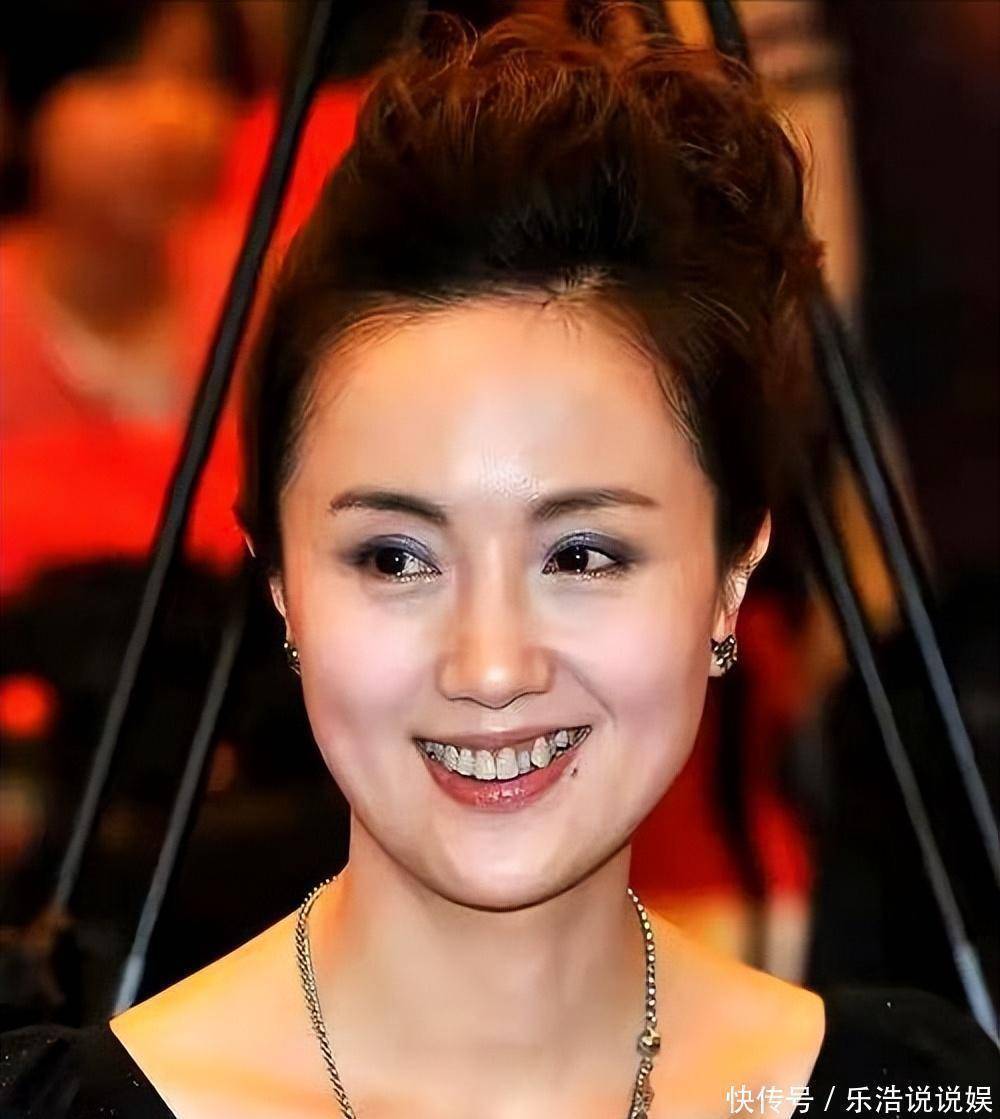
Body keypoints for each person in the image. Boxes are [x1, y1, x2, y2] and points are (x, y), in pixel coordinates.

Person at [1, 11, 997, 1118]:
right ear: (278, 582)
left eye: (580, 553)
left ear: (732, 572)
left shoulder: (906, 1093)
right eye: (395, 558)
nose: (489, 666)